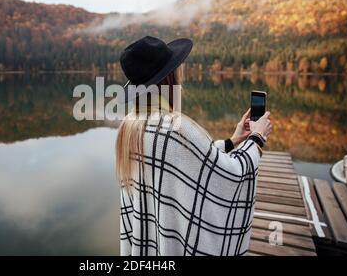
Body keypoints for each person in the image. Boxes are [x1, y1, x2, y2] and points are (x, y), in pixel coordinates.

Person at [115, 36, 272, 256]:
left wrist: (232, 141)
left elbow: (187, 159)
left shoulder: (130, 126)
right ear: (169, 78)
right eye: (176, 69)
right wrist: (257, 137)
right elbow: (231, 173)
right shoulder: (175, 128)